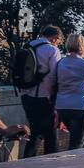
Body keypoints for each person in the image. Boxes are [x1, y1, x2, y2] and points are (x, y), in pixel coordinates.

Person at [18, 25, 62, 156]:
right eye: (59, 41)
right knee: (50, 135)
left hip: (25, 96)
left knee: (35, 133)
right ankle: (52, 167)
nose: (58, 44)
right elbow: (55, 75)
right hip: (43, 98)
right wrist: (52, 95)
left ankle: (26, 164)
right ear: (55, 38)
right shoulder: (52, 50)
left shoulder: (28, 45)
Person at [46, 33, 84, 149]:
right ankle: (73, 166)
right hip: (81, 107)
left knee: (81, 139)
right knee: (77, 144)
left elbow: (52, 83)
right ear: (82, 47)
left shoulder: (60, 63)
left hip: (62, 107)